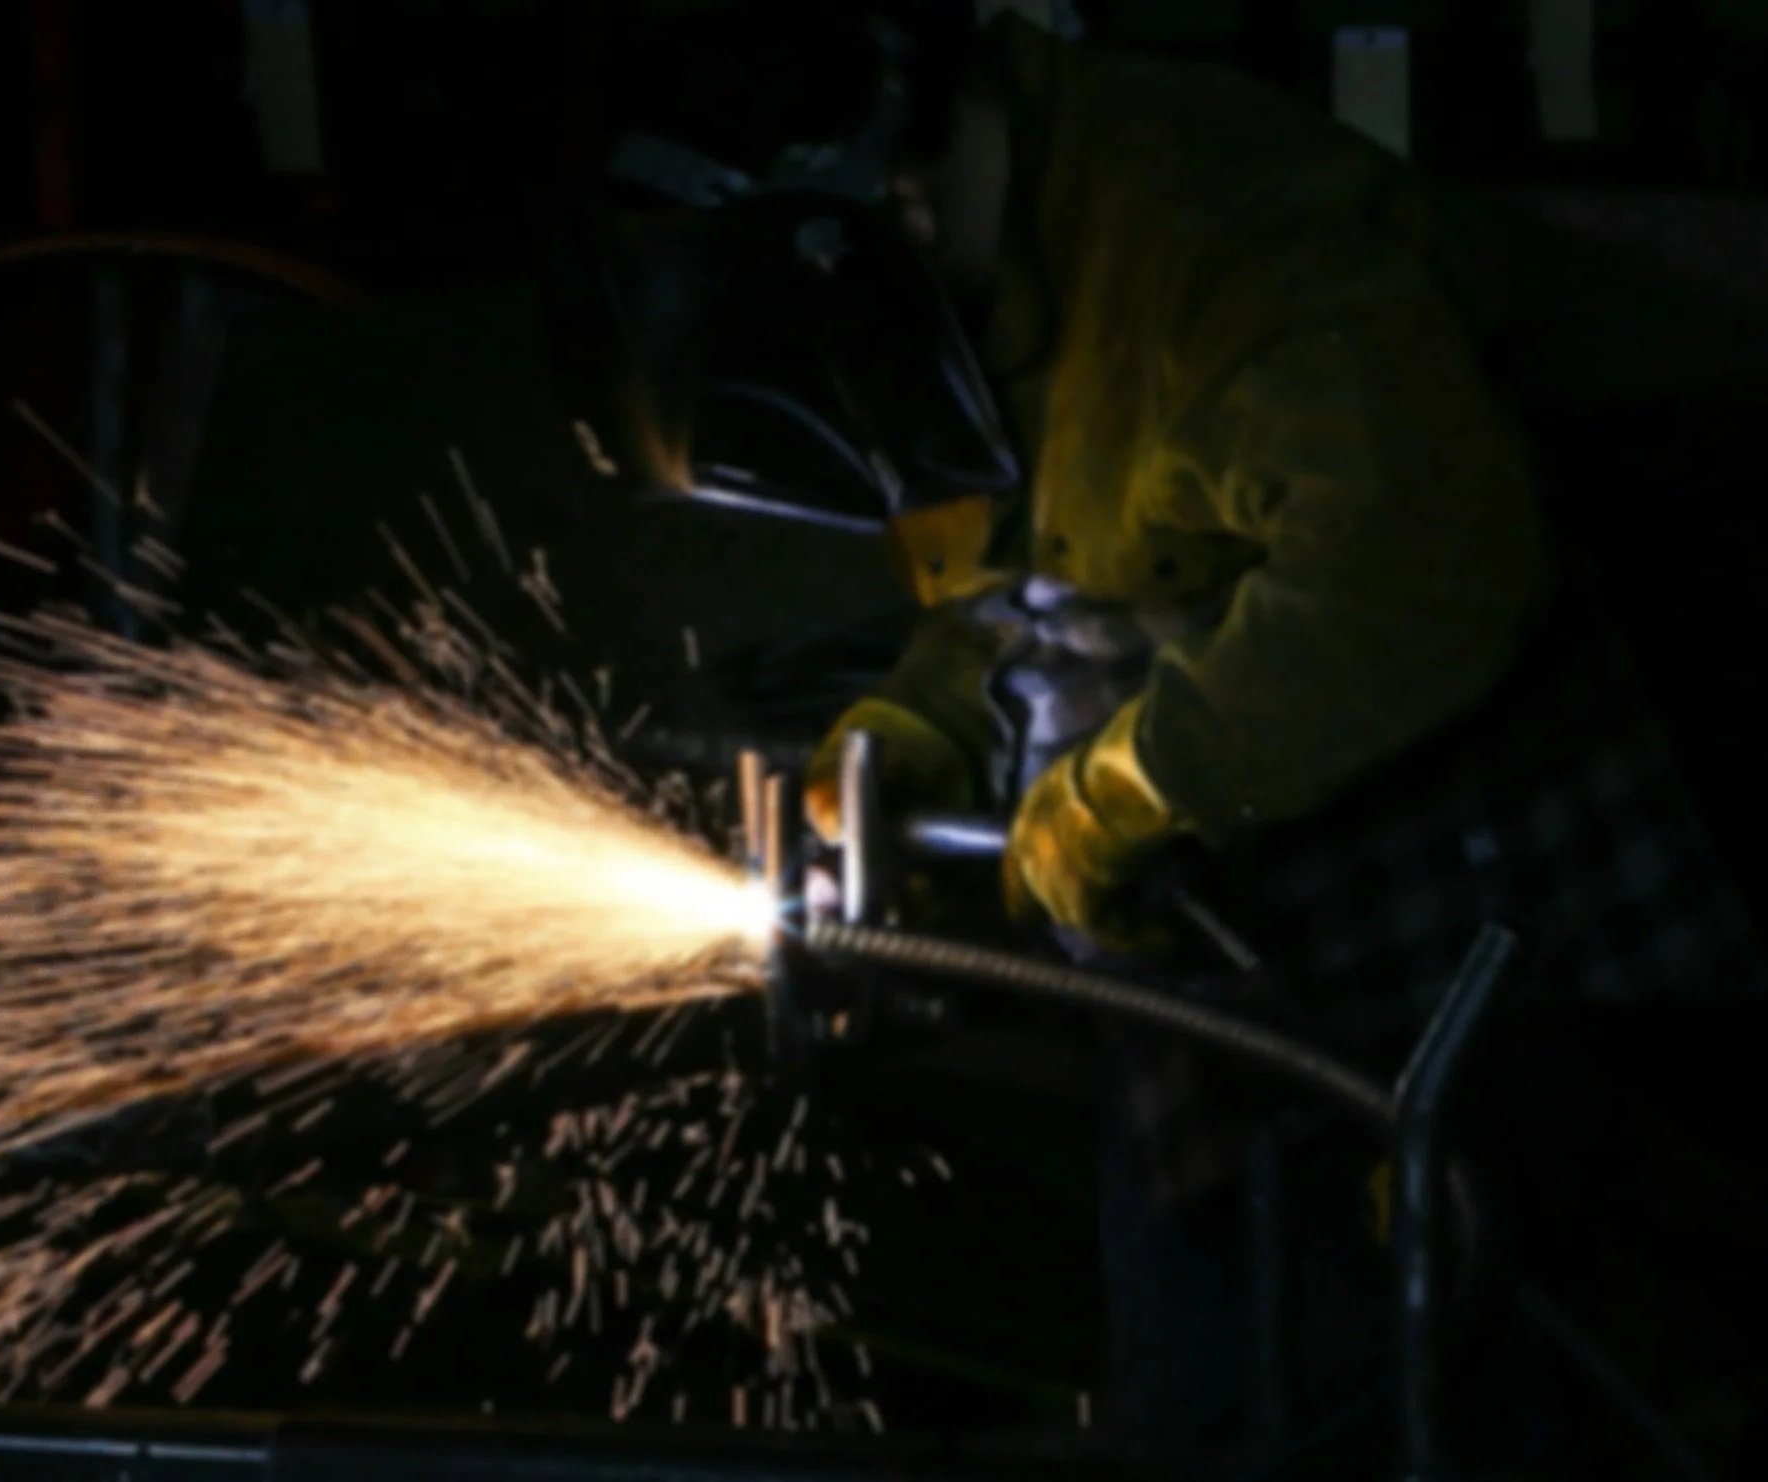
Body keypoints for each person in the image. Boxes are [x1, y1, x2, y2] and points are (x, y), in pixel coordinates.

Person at [576, 0, 1763, 1465]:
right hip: (1259, 858)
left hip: (1497, 809)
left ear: (883, 194)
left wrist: (1131, 791)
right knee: (1218, 1371)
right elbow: (1015, 572)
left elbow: (1416, 571)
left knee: (1478, 1346)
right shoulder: (957, 289)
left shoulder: (1212, 237)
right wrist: (929, 716)